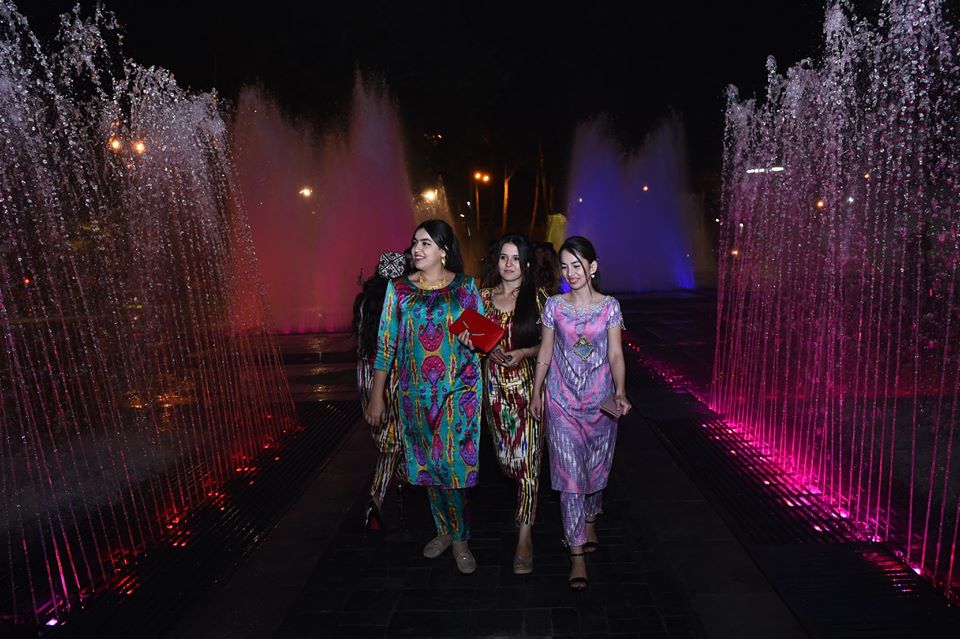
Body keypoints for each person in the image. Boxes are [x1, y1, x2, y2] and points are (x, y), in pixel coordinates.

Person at [365, 219, 483, 574]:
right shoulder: (399, 289)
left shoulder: (465, 287)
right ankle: (443, 530)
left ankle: (460, 538)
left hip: (459, 391)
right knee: (431, 466)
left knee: (452, 466)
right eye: (415, 242)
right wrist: (377, 395)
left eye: (426, 243)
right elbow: (386, 344)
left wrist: (474, 340)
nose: (416, 249)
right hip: (416, 394)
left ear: (444, 251)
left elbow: (482, 338)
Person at [530, 236, 631, 591]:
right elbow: (545, 352)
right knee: (571, 477)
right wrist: (537, 392)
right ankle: (576, 552)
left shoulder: (610, 307)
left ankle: (591, 516)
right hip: (561, 402)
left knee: (597, 471)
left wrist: (620, 391)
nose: (570, 272)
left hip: (601, 403)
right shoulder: (554, 306)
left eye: (577, 265)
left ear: (593, 266)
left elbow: (616, 354)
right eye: (565, 266)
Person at [479, 234, 547, 575]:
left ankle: (525, 538)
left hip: (529, 390)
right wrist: (483, 347)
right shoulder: (483, 298)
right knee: (509, 462)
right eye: (504, 257)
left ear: (527, 264)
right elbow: (469, 337)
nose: (508, 264)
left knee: (529, 465)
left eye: (516, 258)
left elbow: (551, 344)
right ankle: (523, 513)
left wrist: (525, 352)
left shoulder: (538, 298)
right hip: (493, 393)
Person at [353, 251, 408, 529]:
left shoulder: (364, 301)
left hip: (365, 373)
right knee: (394, 442)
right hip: (389, 375)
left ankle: (400, 482)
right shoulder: (399, 301)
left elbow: (359, 339)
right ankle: (376, 497)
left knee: (388, 438)